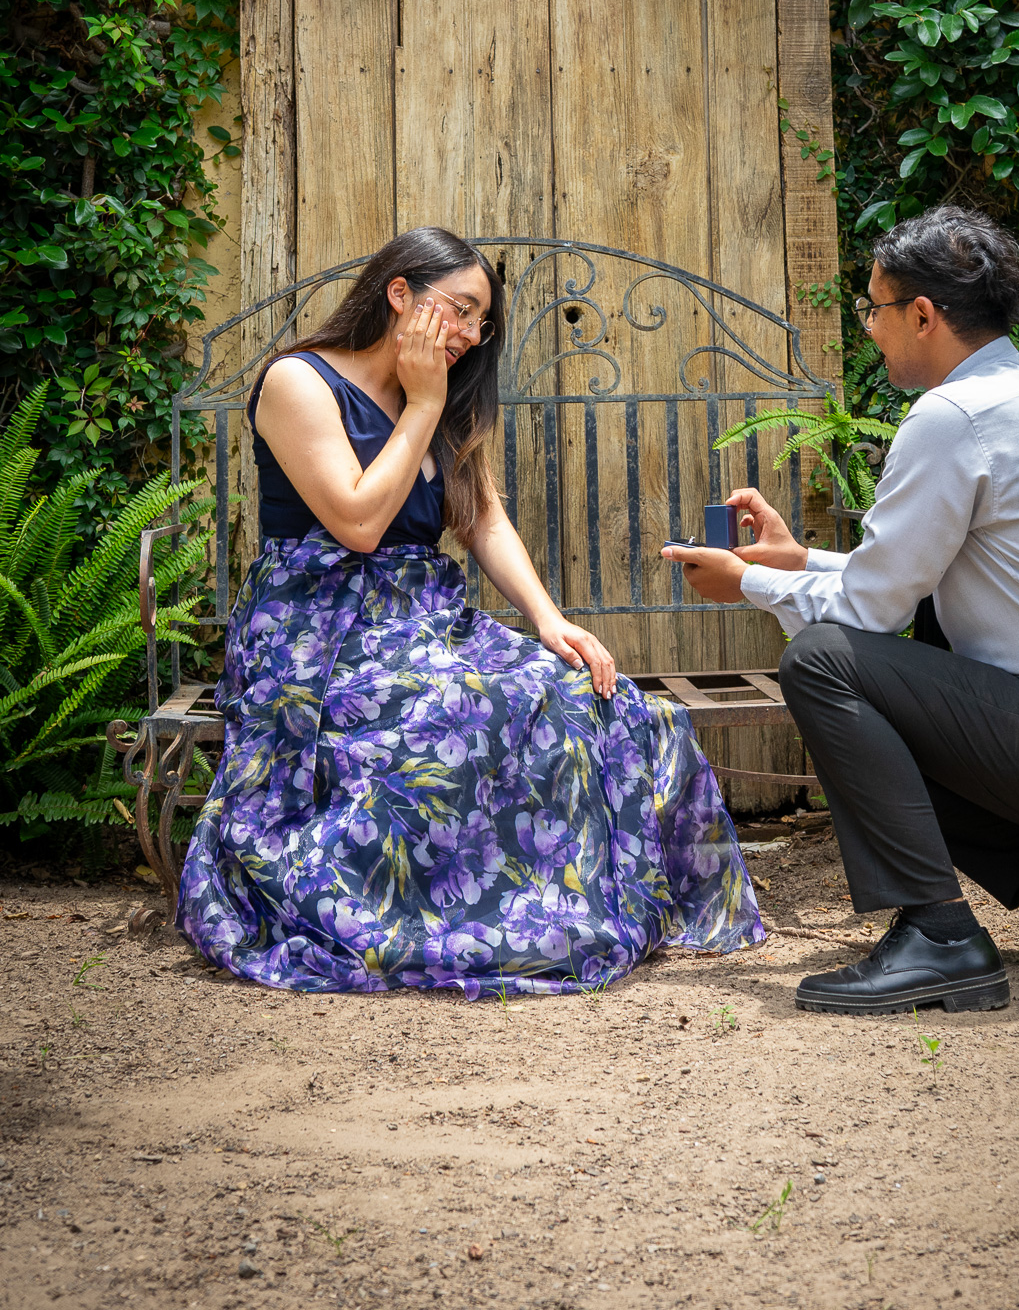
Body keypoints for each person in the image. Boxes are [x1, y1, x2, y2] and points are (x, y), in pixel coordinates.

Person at [177, 227, 762, 995]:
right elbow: (357, 523)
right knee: (474, 704)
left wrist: (550, 621)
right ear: (398, 295)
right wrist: (421, 401)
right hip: (318, 632)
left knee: (597, 698)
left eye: (478, 322)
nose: (467, 335)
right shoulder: (300, 382)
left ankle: (554, 908)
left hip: (422, 618)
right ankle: (444, 915)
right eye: (457, 311)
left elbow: (482, 517)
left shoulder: (444, 401)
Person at [663, 203, 1019, 1017]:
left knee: (822, 664)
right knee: (897, 650)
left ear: (921, 313)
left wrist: (746, 583)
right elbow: (918, 573)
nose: (868, 328)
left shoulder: (953, 419)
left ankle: (941, 937)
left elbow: (871, 615)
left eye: (873, 308)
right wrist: (797, 561)